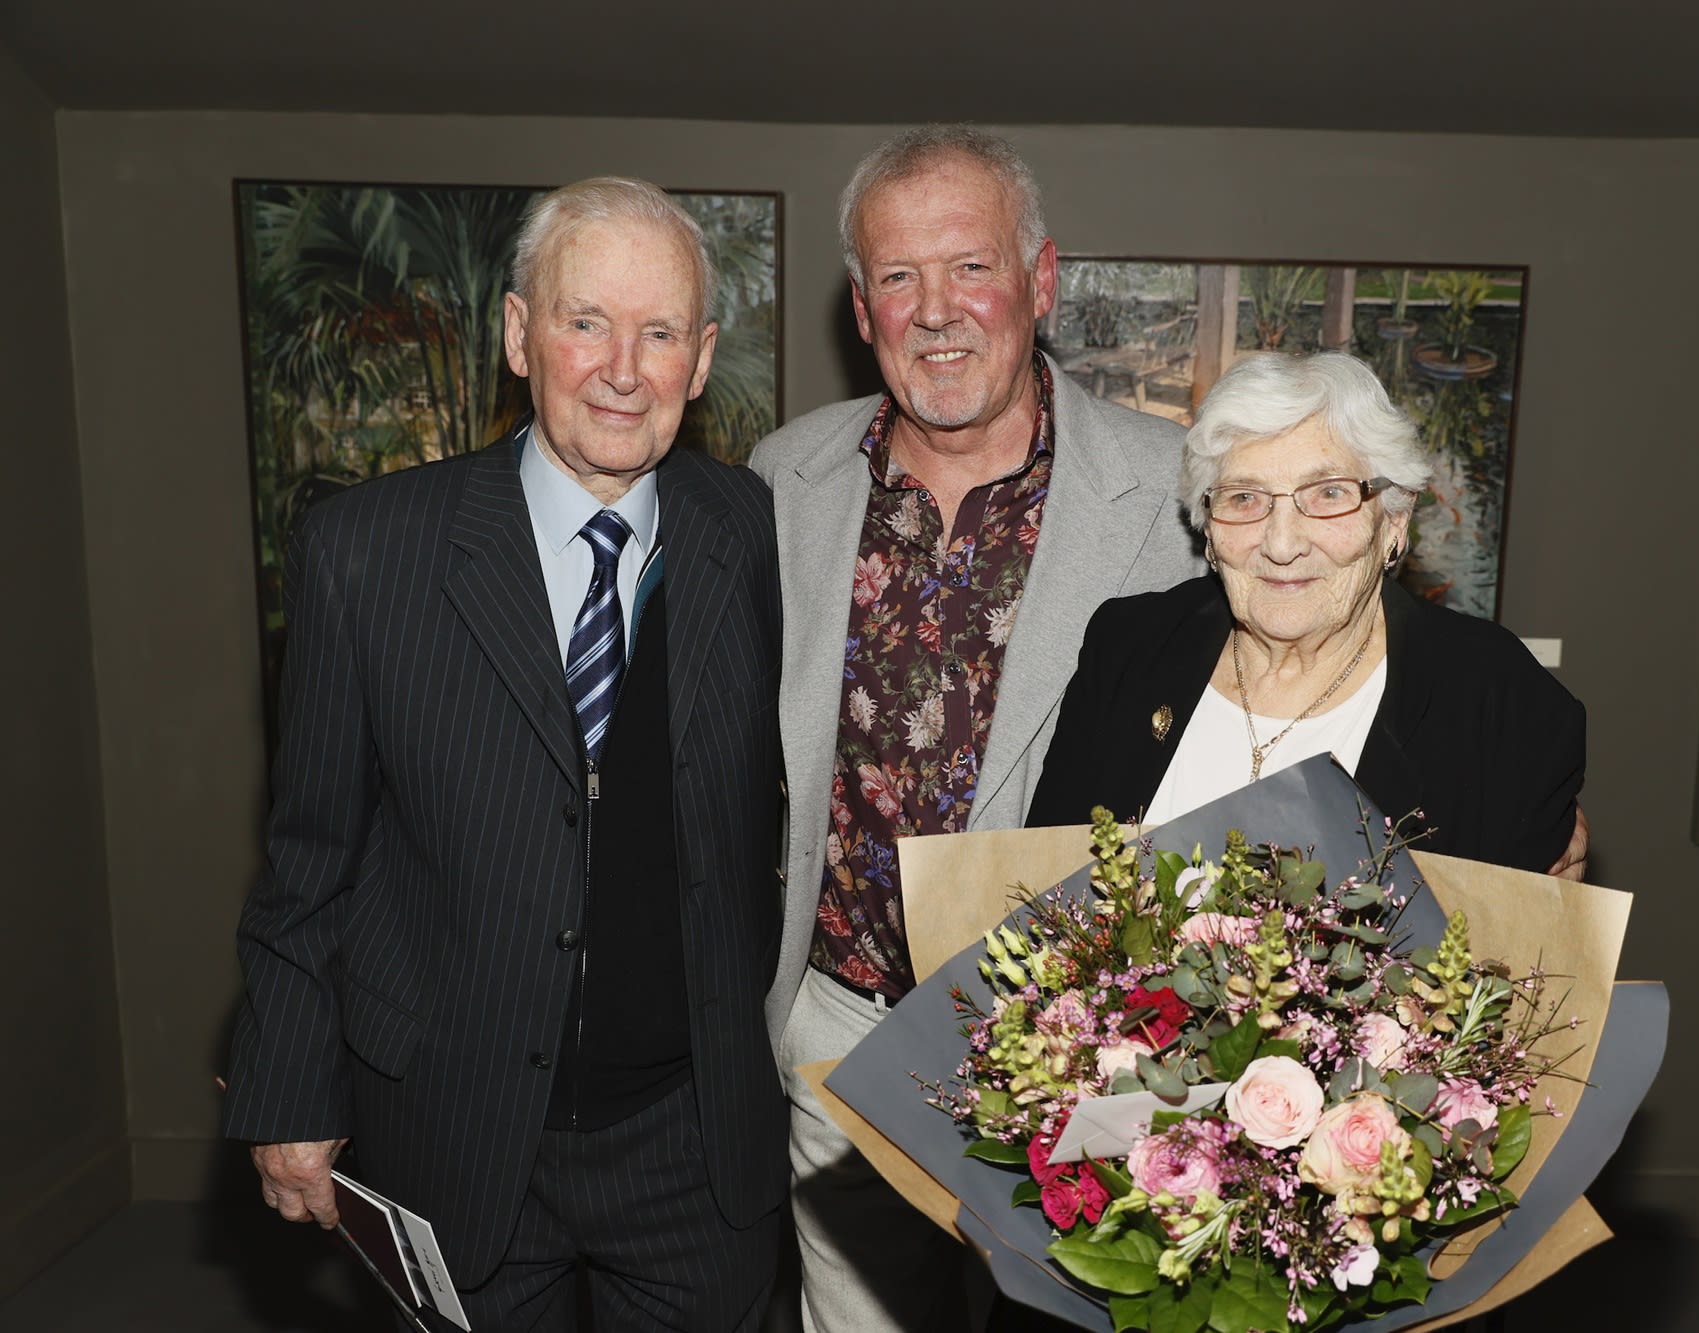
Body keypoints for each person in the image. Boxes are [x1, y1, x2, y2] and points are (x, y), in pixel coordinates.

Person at [222, 177, 787, 1332]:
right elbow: (308, 853)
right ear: (521, 337)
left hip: (693, 1135)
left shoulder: (758, 533)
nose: (622, 368)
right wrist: (288, 1085)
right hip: (449, 1124)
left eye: (661, 331)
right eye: (586, 321)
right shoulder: (362, 553)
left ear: (702, 354)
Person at [748, 126, 1206, 1331]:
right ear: (861, 308)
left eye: (969, 268)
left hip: (1082, 1041)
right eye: (898, 277)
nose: (935, 311)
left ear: (1041, 281)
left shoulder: (1180, 494)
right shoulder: (780, 479)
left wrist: (1507, 804)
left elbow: (1327, 667)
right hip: (837, 1024)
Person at [1028, 350, 1589, 878]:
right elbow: (1042, 896)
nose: (1281, 543)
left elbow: (1512, 961)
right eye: (1244, 497)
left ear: (1394, 519)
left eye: (1327, 494)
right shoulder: (1127, 648)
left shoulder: (1496, 698)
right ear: (1208, 527)